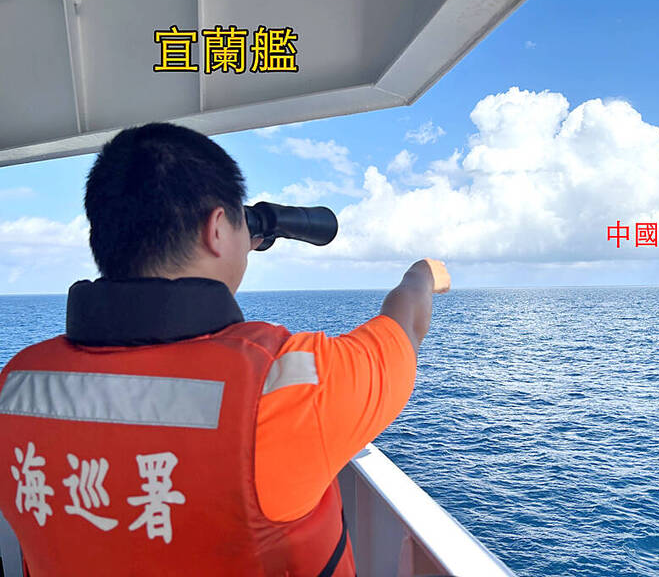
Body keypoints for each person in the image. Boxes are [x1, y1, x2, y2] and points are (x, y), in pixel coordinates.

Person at [0, 122, 450, 576]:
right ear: (217, 228)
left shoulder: (17, 384)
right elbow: (406, 321)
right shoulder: (286, 389)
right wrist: (423, 273)